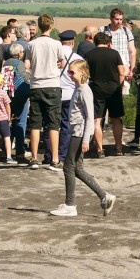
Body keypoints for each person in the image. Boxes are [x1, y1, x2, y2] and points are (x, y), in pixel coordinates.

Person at [50, 59, 116, 217]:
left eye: (72, 72)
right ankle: (104, 197)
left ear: (82, 73)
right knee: (77, 168)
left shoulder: (85, 90)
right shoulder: (78, 88)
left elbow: (90, 116)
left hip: (79, 134)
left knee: (68, 166)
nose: (69, 74)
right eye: (69, 72)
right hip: (76, 132)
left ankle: (70, 205)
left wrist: (86, 139)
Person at [26, 14, 66, 170]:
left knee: (35, 124)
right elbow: (61, 62)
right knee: (53, 124)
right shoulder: (56, 44)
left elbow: (28, 64)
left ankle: (34, 158)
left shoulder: (32, 44)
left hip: (36, 85)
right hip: (53, 85)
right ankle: (55, 159)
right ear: (52, 26)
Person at [85, 32, 125, 157]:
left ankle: (100, 149)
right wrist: (119, 86)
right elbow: (121, 72)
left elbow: (85, 74)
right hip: (114, 90)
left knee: (98, 121)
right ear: (108, 42)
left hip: (96, 91)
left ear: (95, 42)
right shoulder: (114, 53)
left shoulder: (89, 55)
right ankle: (118, 148)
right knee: (116, 120)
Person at [42, 29, 79, 165]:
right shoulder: (77, 58)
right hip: (69, 95)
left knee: (49, 125)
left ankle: (49, 154)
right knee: (65, 126)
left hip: (51, 93)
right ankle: (62, 155)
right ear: (72, 42)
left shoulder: (51, 55)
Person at [4, 42, 31, 162]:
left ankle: (7, 151)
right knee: (21, 122)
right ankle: (20, 151)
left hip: (8, 95)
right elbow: (23, 75)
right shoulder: (19, 63)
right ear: (19, 53)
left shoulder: (6, 62)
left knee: (10, 122)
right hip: (19, 95)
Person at [102, 8, 136, 96]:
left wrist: (132, 69)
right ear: (111, 18)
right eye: (117, 19)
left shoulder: (126, 31)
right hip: (107, 70)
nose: (119, 22)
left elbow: (132, 51)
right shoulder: (102, 31)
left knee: (122, 98)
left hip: (124, 70)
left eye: (121, 19)